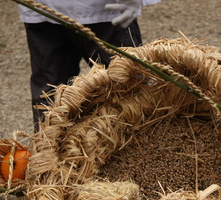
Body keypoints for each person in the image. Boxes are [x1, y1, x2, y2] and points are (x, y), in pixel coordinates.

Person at [18, 0, 161, 130]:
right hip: (43, 10)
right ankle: (48, 153)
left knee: (125, 90)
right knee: (51, 98)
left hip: (106, 11)